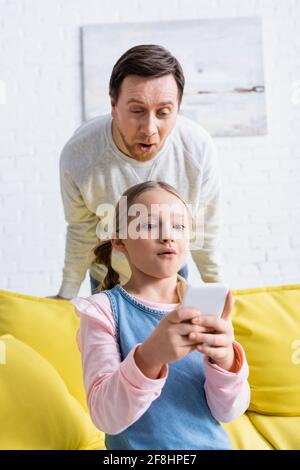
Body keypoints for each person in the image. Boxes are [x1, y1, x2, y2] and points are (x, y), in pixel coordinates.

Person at [71, 181, 250, 450]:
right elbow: (105, 416)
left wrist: (225, 361)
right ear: (119, 239)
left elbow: (228, 412)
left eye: (179, 226)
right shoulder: (101, 312)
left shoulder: (206, 306)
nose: (168, 236)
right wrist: (150, 356)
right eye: (150, 225)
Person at [52, 43, 223, 299]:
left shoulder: (197, 151)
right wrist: (65, 296)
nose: (149, 128)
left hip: (167, 269)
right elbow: (82, 230)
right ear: (113, 105)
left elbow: (205, 228)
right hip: (107, 277)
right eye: (137, 111)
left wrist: (217, 291)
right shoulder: (80, 155)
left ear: (178, 108)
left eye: (163, 112)